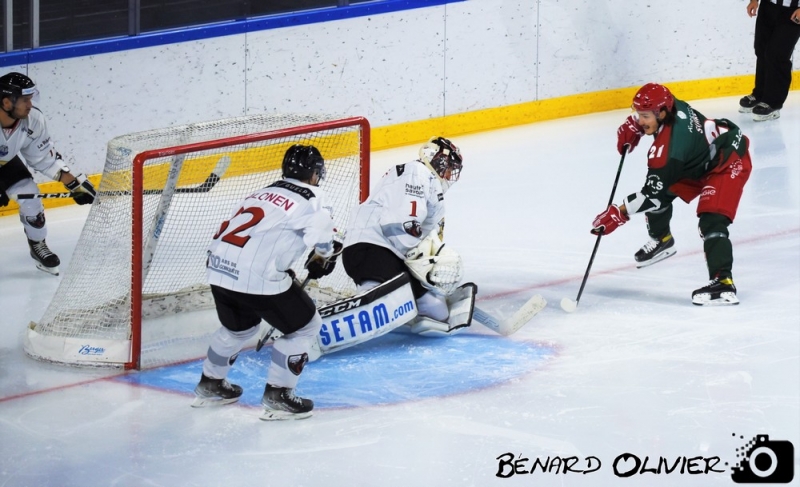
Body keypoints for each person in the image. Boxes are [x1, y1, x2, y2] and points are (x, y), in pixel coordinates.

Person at [192, 144, 340, 421]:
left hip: (218, 268)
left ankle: (210, 384)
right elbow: (320, 232)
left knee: (237, 330)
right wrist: (323, 254)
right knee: (306, 326)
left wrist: (281, 267)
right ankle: (278, 396)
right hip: (255, 276)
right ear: (313, 173)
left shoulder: (262, 191)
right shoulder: (313, 195)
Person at [593, 83, 752, 306]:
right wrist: (637, 125)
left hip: (727, 161)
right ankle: (662, 240)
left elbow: (650, 195)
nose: (641, 120)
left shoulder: (668, 152)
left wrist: (619, 214)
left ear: (662, 113)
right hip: (697, 159)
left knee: (711, 221)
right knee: (664, 189)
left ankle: (723, 283)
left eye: (645, 116)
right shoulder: (669, 105)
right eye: (638, 114)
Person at [341, 136, 467, 334]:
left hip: (377, 251)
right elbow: (403, 228)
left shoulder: (429, 184)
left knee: (437, 311)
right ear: (437, 160)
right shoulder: (418, 172)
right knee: (426, 308)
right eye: (449, 166)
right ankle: (359, 307)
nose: (450, 173)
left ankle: (374, 298)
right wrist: (423, 264)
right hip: (372, 249)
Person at [0, 72, 96, 275]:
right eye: (25, 100)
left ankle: (37, 244)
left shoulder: (32, 120)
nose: (29, 104)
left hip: (5, 163)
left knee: (31, 200)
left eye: (31, 99)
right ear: (7, 102)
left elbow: (44, 158)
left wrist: (74, 185)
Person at [739, 0, 800, 121]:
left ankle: (773, 103)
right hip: (768, 6)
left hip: (793, 11)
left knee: (777, 55)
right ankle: (759, 95)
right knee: (761, 50)